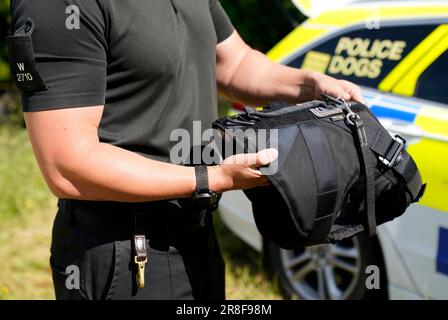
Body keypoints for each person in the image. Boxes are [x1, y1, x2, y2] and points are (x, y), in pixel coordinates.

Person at [9, 0, 363, 300]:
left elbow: (235, 63)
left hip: (197, 233)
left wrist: (309, 84)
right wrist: (215, 177)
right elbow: (67, 165)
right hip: (125, 251)